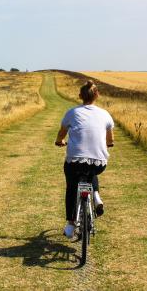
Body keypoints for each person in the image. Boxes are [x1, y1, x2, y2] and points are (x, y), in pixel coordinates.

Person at [55, 80, 114, 239]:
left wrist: (60, 141)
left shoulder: (72, 113)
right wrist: (106, 145)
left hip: (75, 161)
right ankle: (96, 196)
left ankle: (70, 224)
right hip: (99, 162)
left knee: (71, 186)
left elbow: (61, 134)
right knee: (91, 170)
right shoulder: (105, 114)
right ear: (97, 95)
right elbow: (110, 140)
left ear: (80, 96)